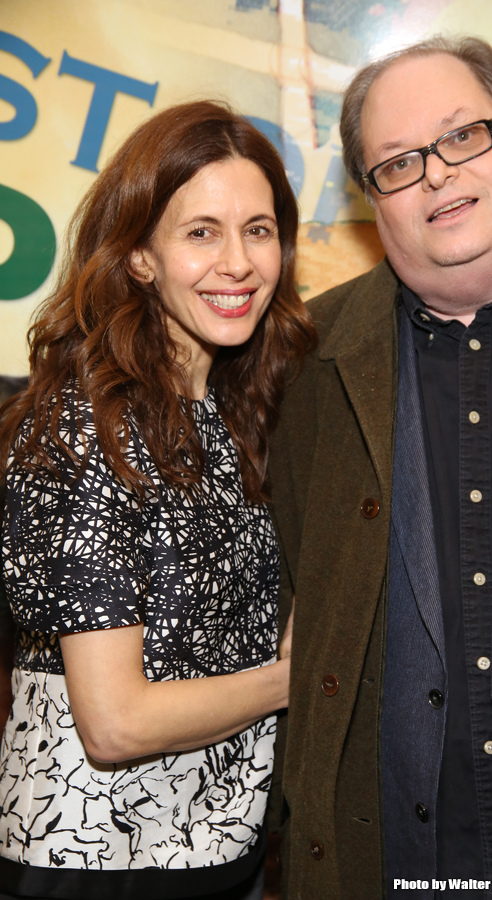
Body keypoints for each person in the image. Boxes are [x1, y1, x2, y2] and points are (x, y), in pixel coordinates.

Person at [268, 35, 492, 900]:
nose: (437, 176)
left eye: (463, 136)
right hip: (393, 867)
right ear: (368, 198)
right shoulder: (303, 367)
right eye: (398, 162)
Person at [0, 100, 314, 900]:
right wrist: (301, 675)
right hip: (96, 859)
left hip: (221, 849)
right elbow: (116, 722)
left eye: (259, 229)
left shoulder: (230, 410)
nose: (238, 262)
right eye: (200, 232)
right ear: (140, 256)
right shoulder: (86, 425)